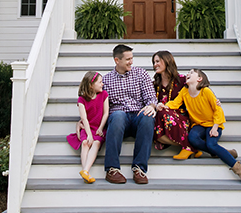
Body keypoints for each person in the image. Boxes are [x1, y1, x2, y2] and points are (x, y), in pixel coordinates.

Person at [157, 69, 241, 184]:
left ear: (199, 79)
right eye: (188, 73)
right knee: (192, 139)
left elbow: (218, 110)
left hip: (213, 124)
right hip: (199, 125)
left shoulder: (205, 91)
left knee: (211, 144)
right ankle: (224, 152)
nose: (188, 74)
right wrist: (164, 105)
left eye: (191, 73)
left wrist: (215, 127)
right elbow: (175, 103)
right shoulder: (184, 91)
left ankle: (240, 171)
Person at [102, 44, 157, 184]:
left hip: (138, 116)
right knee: (118, 115)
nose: (131, 62)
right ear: (117, 60)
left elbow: (151, 98)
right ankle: (112, 169)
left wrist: (151, 106)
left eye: (132, 58)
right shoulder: (106, 80)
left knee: (148, 116)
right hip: (119, 120)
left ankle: (139, 169)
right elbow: (100, 105)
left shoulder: (141, 74)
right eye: (128, 59)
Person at [152, 50, 202, 159]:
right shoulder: (155, 84)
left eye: (157, 61)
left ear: (167, 61)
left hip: (181, 117)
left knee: (163, 113)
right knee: (153, 130)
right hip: (161, 119)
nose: (155, 65)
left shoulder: (183, 80)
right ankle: (190, 147)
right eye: (154, 62)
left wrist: (214, 102)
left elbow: (200, 91)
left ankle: (189, 147)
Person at [66, 71, 109, 184]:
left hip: (99, 127)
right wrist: (89, 134)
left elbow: (106, 113)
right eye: (100, 82)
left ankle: (85, 170)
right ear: (91, 85)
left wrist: (100, 128)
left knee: (96, 143)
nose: (102, 84)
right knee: (85, 142)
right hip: (87, 127)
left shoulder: (104, 94)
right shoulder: (82, 99)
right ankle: (86, 172)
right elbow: (84, 118)